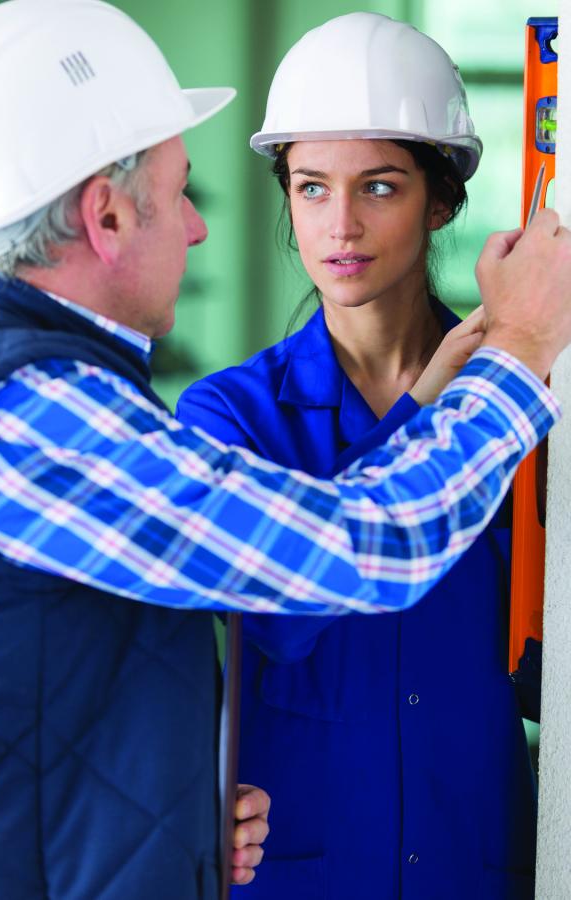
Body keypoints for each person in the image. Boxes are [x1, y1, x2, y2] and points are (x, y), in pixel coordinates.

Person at [0, 3, 568, 899]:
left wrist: (175, 802)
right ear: (104, 216)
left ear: (439, 198)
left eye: (379, 184)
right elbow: (344, 566)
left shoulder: (62, 402)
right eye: (179, 195)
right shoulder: (49, 413)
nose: (200, 229)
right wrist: (512, 357)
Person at [176, 14, 543, 900]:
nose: (339, 224)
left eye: (379, 187)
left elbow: (543, 675)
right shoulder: (231, 416)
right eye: (310, 188)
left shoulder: (529, 412)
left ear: (443, 199)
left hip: (477, 865)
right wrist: (427, 410)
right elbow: (280, 617)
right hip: (303, 873)